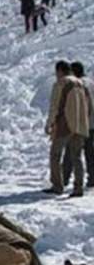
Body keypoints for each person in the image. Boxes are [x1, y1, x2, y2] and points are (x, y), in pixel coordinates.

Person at [45, 61, 92, 197]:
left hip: (64, 125)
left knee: (55, 155)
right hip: (80, 125)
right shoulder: (82, 84)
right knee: (76, 157)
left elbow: (55, 106)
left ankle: (57, 185)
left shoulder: (61, 83)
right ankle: (78, 188)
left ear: (60, 71)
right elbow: (89, 106)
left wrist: (50, 123)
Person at [68, 62, 94, 187]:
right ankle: (92, 177)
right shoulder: (91, 82)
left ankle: (65, 178)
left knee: (72, 152)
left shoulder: (78, 84)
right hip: (92, 123)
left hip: (81, 123)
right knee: (90, 152)